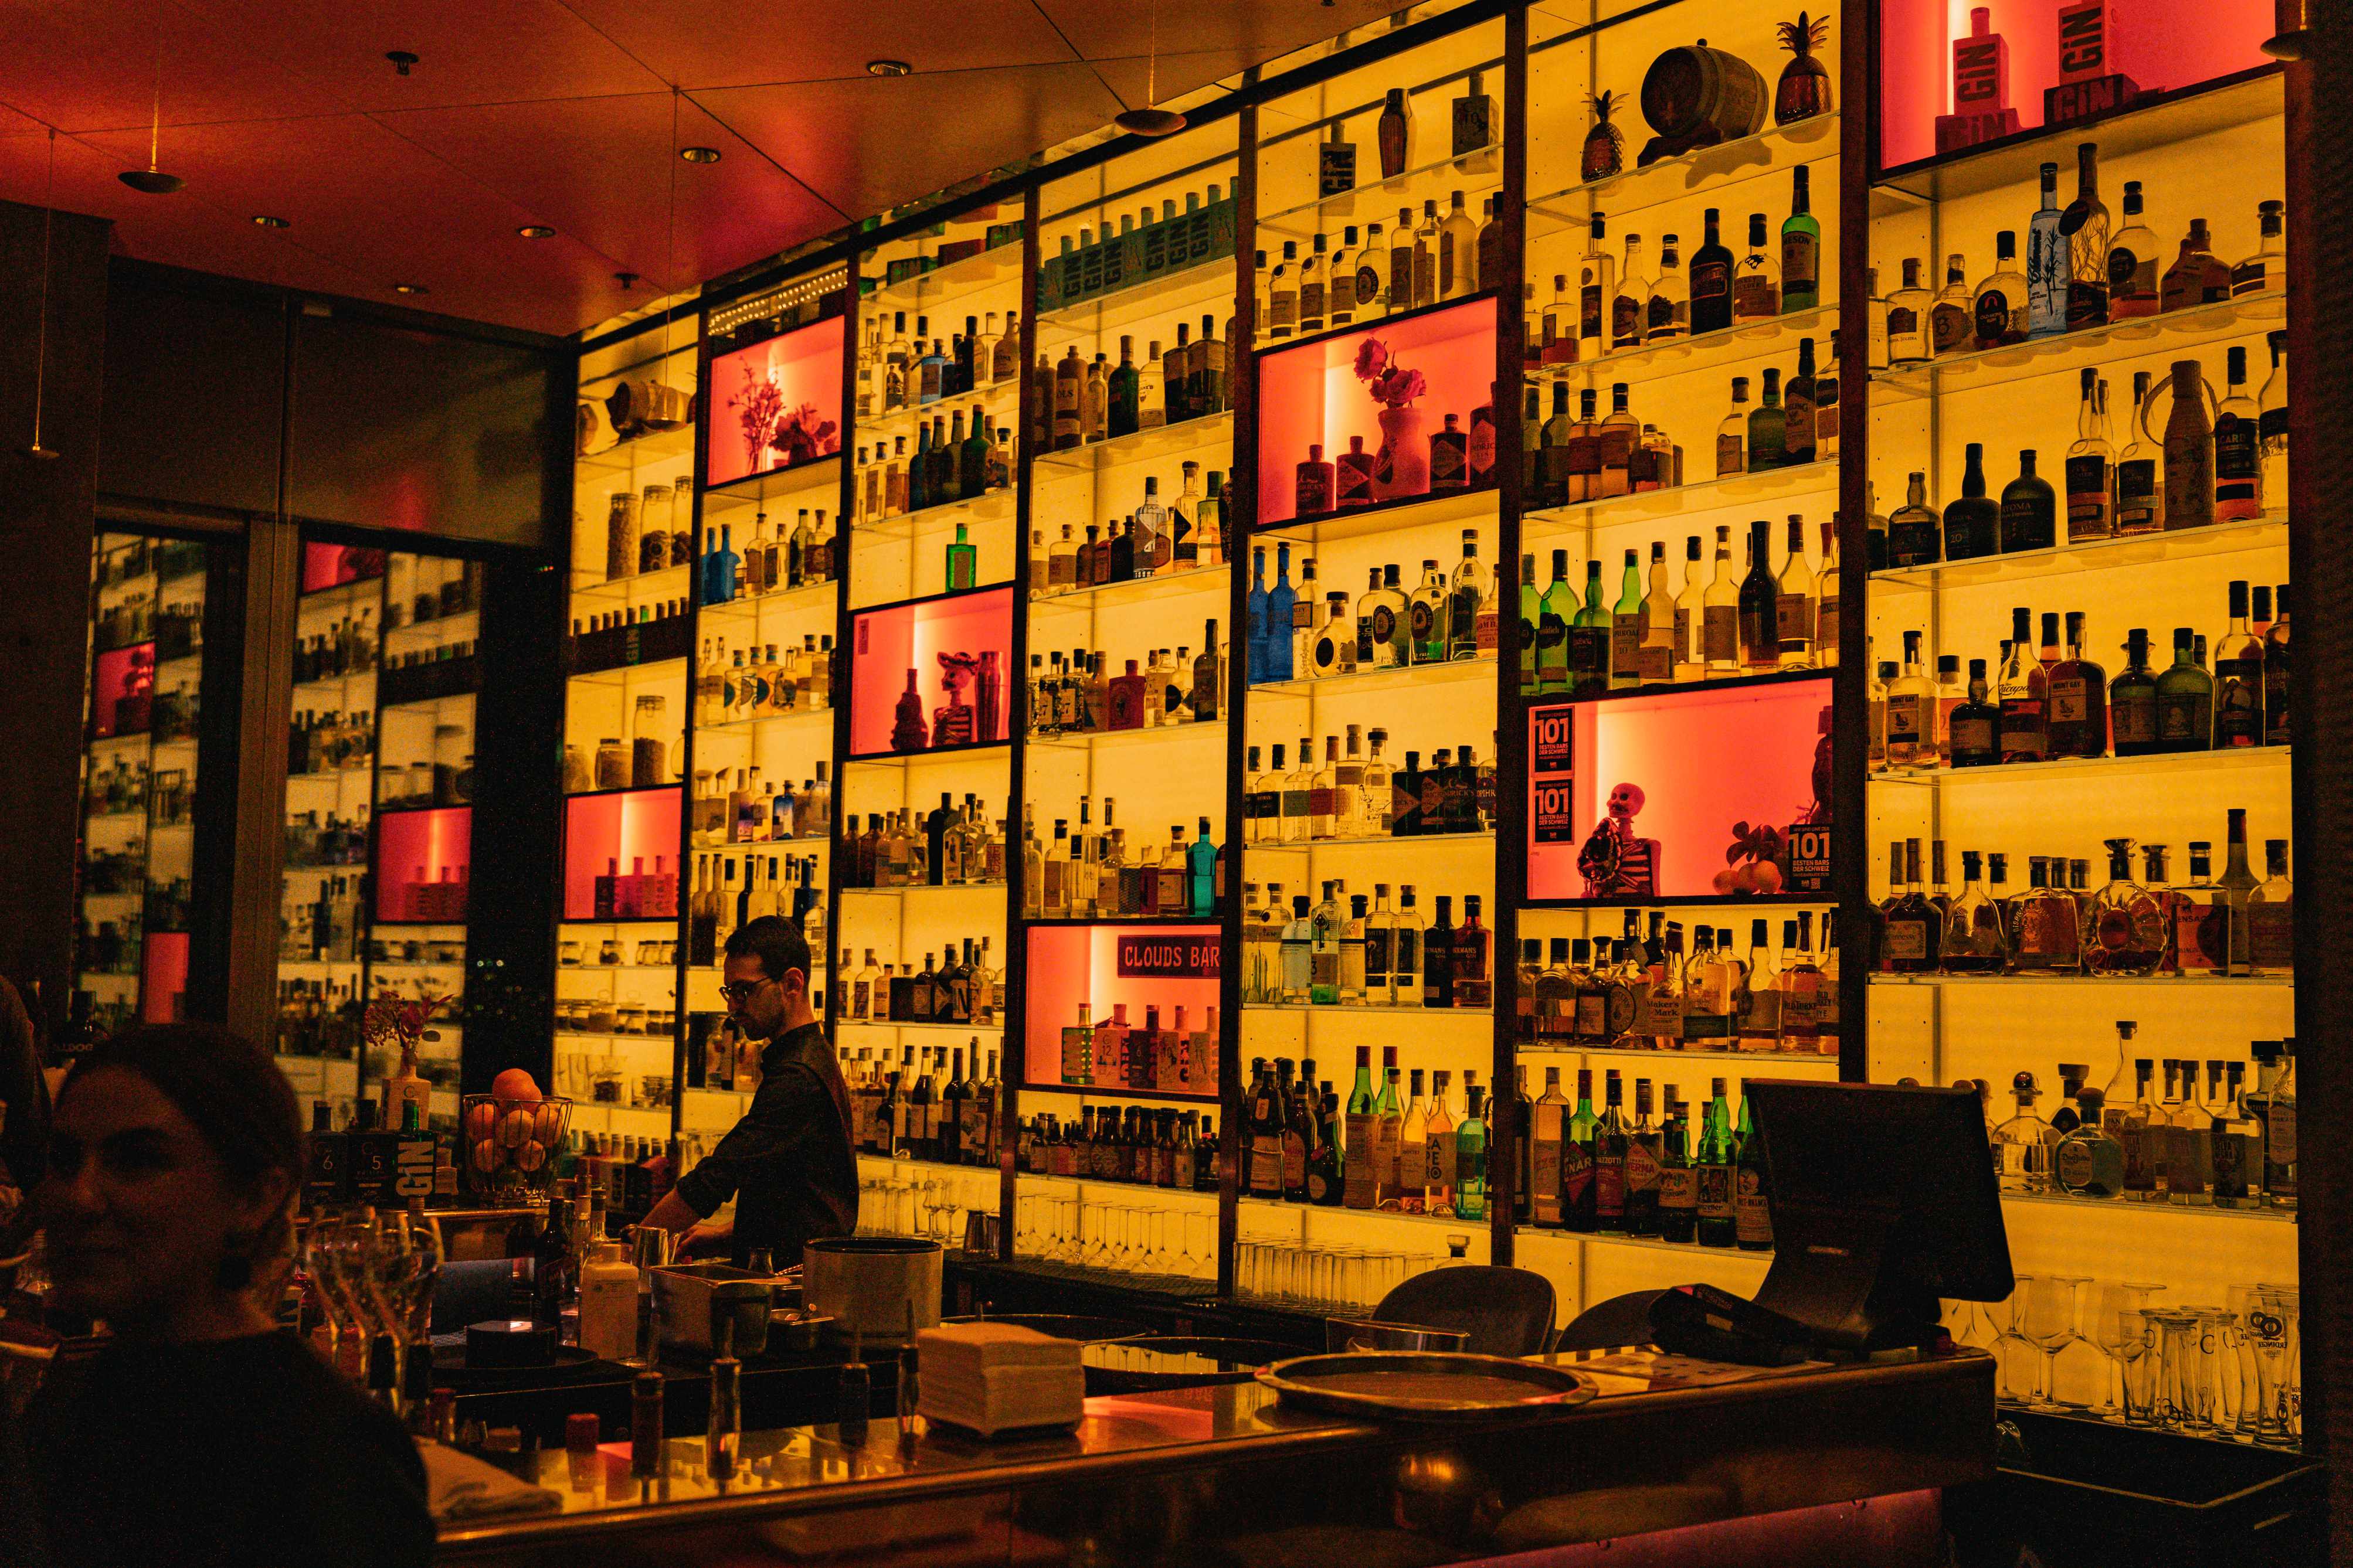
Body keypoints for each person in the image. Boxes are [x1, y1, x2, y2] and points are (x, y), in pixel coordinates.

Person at [26, 1024, 432, 1568]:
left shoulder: (329, 1446)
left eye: (137, 1160)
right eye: (65, 1159)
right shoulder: (70, 1405)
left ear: (255, 1197)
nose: (80, 1197)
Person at [644, 916, 856, 1268]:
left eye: (744, 991)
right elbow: (797, 1193)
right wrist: (727, 1235)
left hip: (793, 1280)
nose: (733, 1007)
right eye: (730, 992)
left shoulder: (798, 1076)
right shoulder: (806, 1057)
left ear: (792, 984)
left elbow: (718, 1176)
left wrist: (638, 1243)